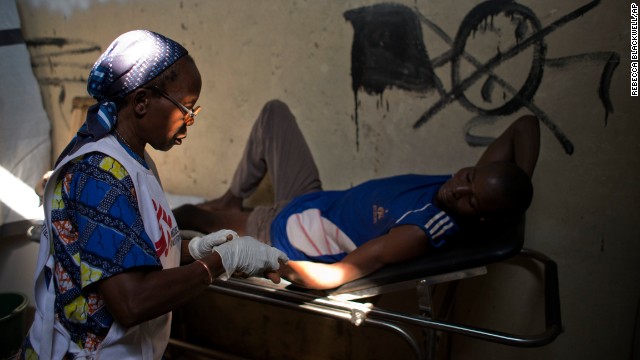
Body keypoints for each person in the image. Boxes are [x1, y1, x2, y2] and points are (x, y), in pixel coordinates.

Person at [20, 30, 287, 359]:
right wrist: (221, 263)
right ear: (142, 101)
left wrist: (196, 248)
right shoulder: (98, 174)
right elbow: (131, 302)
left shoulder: (135, 160)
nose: (190, 121)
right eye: (185, 108)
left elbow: (135, 252)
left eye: (194, 111)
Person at [173, 100, 540, 290]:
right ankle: (230, 200)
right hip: (310, 199)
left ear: (480, 216)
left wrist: (269, 259)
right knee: (275, 114)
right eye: (469, 176)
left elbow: (336, 275)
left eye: (471, 199)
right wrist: (513, 188)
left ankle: (137, 268)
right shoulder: (470, 190)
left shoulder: (416, 232)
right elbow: (526, 125)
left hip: (285, 230)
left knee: (190, 214)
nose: (457, 187)